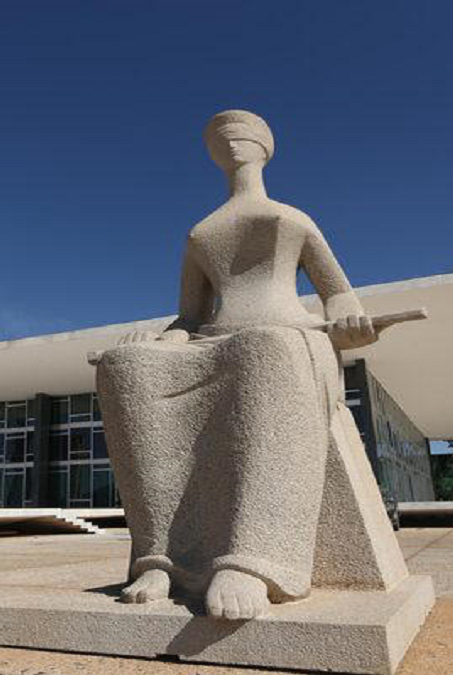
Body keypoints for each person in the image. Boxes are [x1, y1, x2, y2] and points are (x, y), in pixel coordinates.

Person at [95, 110, 395, 620]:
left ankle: (251, 559)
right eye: (221, 140)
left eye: (241, 136)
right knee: (126, 367)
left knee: (264, 350)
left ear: (263, 146)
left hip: (289, 338)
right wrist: (157, 337)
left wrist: (348, 316)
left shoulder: (290, 218)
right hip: (214, 339)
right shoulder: (201, 233)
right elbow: (189, 317)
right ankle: (161, 557)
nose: (232, 144)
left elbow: (338, 294)